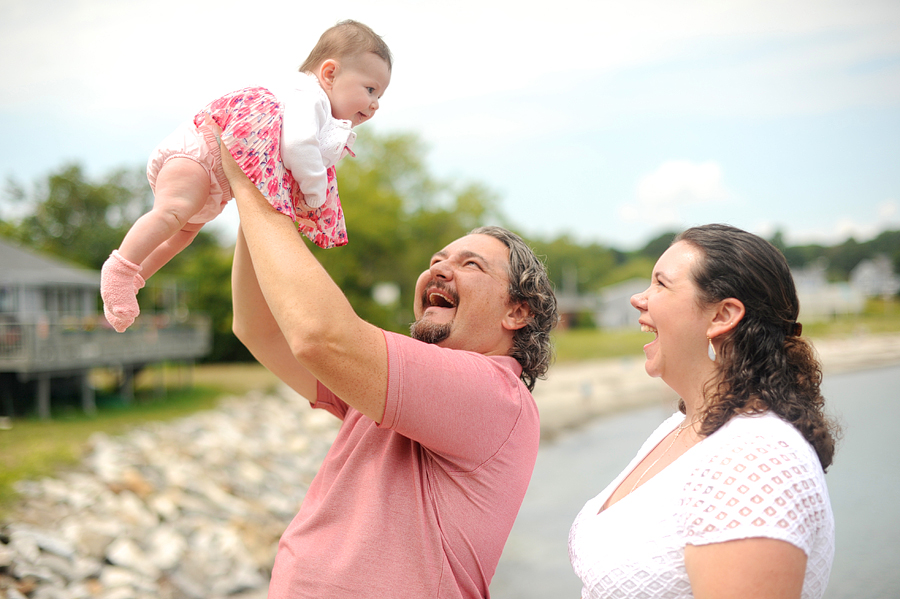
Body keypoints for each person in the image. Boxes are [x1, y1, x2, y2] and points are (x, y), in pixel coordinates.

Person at [216, 127, 559, 597]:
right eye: (439, 259)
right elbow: (260, 328)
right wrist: (264, 187)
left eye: (471, 265)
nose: (440, 268)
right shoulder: (394, 387)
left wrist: (249, 179)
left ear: (517, 312)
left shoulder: (494, 393)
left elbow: (319, 336)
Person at [569, 224, 839, 599]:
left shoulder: (758, 461)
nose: (638, 298)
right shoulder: (676, 428)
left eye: (661, 284)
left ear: (721, 316)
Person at [100, 20, 391, 332]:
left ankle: (134, 278)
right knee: (172, 213)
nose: (374, 104)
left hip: (216, 184)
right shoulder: (308, 96)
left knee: (182, 234)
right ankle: (119, 269)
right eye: (370, 89)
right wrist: (315, 191)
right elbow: (297, 145)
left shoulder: (321, 111)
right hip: (201, 154)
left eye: (380, 96)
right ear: (330, 73)